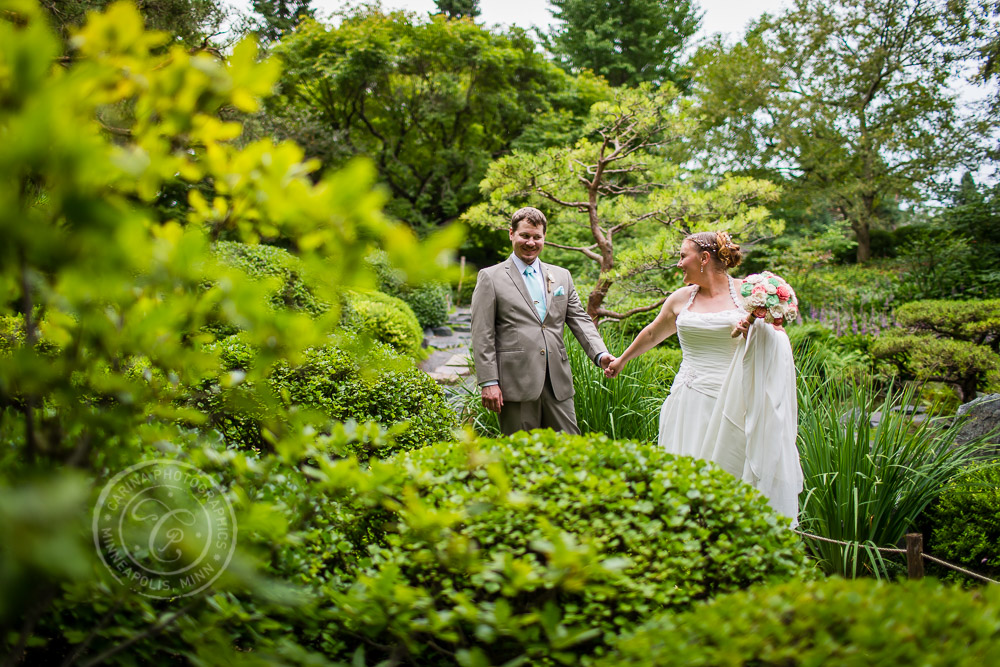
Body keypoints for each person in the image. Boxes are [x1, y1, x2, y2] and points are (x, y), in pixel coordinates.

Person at [604, 231, 802, 525]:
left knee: (728, 473)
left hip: (733, 402)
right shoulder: (680, 298)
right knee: (686, 474)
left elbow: (777, 337)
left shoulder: (750, 295)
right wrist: (621, 360)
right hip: (687, 401)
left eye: (683, 256)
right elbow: (653, 332)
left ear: (705, 258)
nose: (679, 263)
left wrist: (757, 333)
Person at [471, 207, 613, 435]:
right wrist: (488, 381)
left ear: (544, 238)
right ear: (511, 234)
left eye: (537, 237)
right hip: (515, 382)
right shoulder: (490, 277)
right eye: (525, 235)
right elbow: (482, 333)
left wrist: (600, 354)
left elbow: (578, 318)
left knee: (569, 446)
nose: (531, 242)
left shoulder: (562, 276)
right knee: (521, 454)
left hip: (558, 381)